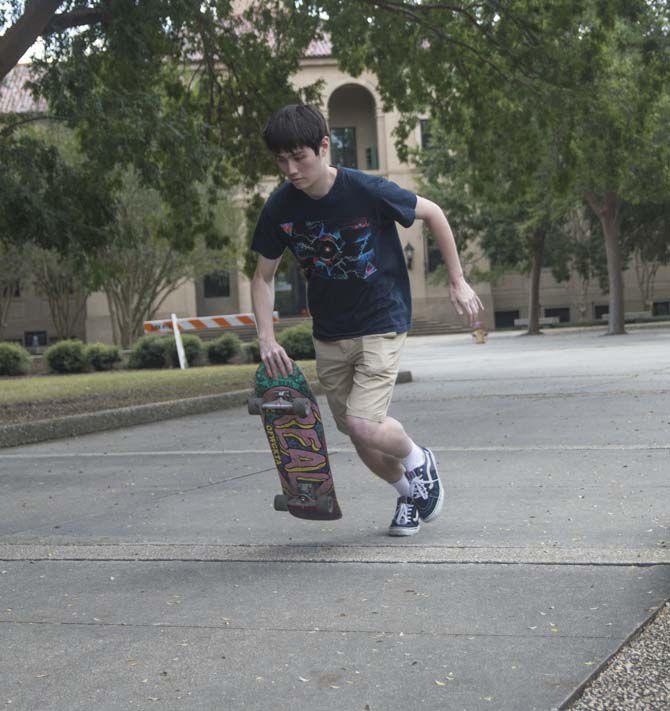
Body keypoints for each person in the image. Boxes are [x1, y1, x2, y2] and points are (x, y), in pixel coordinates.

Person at [250, 104, 483, 536]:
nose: (291, 169)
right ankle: (409, 493)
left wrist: (458, 280)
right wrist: (266, 338)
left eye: (299, 157)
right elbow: (262, 277)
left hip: (382, 318)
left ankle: (419, 460)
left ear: (324, 147)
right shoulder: (280, 208)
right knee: (357, 433)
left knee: (364, 423)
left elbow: (433, 213)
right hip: (330, 332)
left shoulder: (365, 190)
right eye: (281, 161)